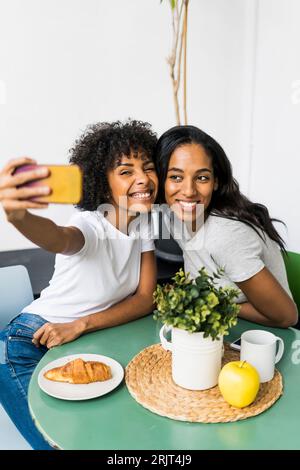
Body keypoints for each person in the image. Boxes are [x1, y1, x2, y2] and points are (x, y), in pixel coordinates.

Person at [0, 120, 158, 449]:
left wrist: (80, 325)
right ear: (102, 185)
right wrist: (19, 217)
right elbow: (61, 239)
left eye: (148, 168)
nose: (143, 178)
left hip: (78, 342)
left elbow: (146, 298)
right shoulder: (88, 225)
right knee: (62, 444)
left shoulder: (142, 226)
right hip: (27, 342)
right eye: (126, 171)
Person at [155, 125, 298, 328]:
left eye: (202, 177)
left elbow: (286, 316)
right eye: (175, 177)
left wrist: (212, 303)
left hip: (261, 340)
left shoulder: (224, 235)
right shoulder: (177, 215)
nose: (188, 191)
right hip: (221, 328)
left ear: (215, 181)